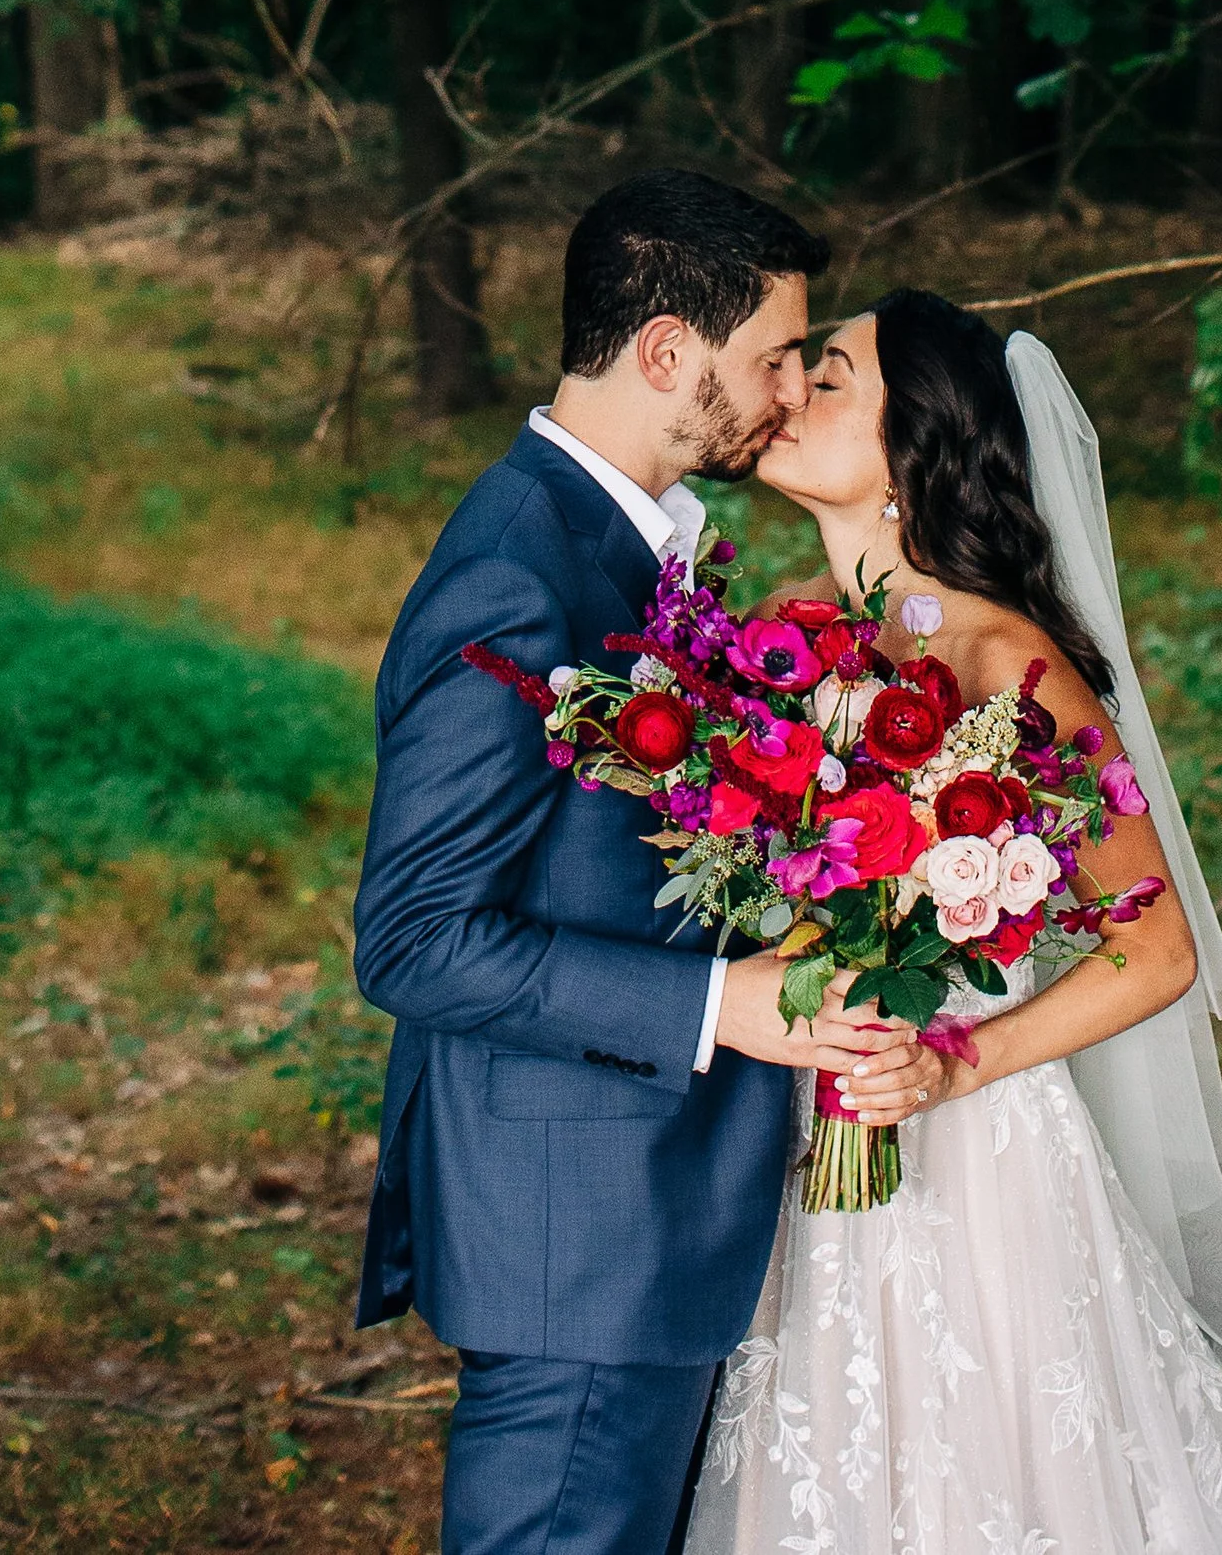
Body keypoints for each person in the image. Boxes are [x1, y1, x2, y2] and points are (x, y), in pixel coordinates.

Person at [682, 288, 1222, 1555]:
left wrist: (950, 1064)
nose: (789, 394)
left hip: (972, 1149)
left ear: (914, 446)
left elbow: (1154, 950)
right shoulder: (776, 635)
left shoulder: (1006, 665)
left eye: (831, 381)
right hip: (799, 1115)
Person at [353, 171, 922, 1555]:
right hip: (579, 1233)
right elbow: (413, 936)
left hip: (643, 1215)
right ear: (666, 350)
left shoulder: (628, 549)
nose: (789, 390)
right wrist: (719, 1005)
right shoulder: (522, 569)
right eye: (772, 356)